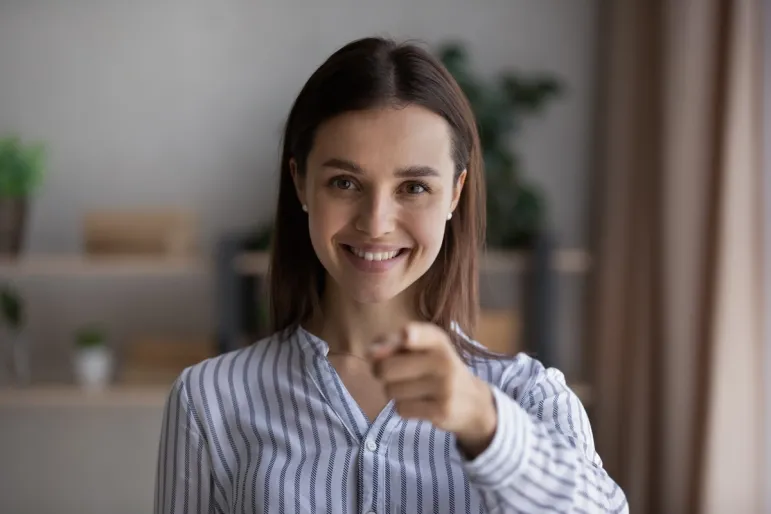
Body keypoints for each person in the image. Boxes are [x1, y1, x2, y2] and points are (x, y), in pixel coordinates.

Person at [154, 36, 627, 514]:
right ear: (300, 181)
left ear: (455, 193)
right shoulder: (209, 399)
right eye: (345, 183)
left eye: (414, 187)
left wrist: (484, 424)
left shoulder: (530, 398)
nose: (376, 222)